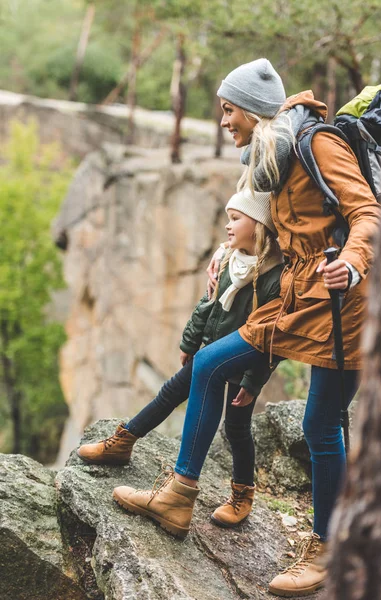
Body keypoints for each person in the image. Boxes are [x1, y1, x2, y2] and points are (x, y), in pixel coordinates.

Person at [111, 59, 380, 597]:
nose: (223, 121)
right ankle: (179, 496)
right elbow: (274, 233)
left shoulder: (317, 144)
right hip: (294, 294)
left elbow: (368, 213)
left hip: (342, 300)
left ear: (255, 111)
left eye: (228, 110)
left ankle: (330, 546)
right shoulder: (270, 155)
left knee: (322, 423)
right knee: (210, 363)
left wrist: (349, 265)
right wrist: (225, 251)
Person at [78, 187, 284, 528]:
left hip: (242, 363)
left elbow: (269, 340)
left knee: (236, 429)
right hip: (209, 354)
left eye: (236, 219)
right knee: (170, 392)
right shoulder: (229, 259)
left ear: (259, 225)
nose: (228, 227)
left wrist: (252, 381)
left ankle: (242, 493)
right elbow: (208, 303)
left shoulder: (274, 277)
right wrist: (191, 341)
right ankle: (124, 441)